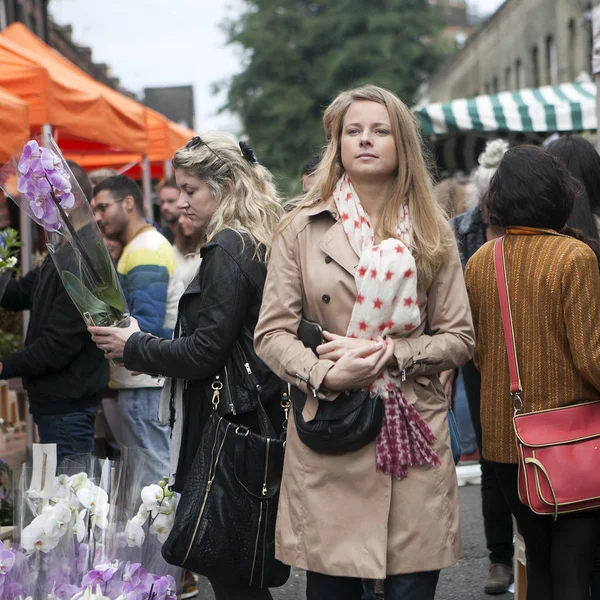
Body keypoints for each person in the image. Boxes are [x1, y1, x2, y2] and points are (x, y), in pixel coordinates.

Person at [254, 84, 475, 600]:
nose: (365, 140)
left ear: (402, 144)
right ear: (338, 144)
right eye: (353, 131)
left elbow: (460, 336)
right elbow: (271, 334)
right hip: (332, 426)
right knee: (333, 587)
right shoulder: (300, 229)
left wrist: (390, 355)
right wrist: (325, 373)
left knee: (411, 587)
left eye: (380, 130)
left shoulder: (432, 229)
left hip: (412, 427)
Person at [88, 133, 283, 600]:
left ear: (226, 186)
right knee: (241, 568)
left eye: (190, 190)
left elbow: (204, 353)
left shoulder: (229, 248)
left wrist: (133, 345)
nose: (177, 204)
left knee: (232, 571)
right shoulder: (250, 239)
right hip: (248, 416)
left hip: (229, 425)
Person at [464, 145, 600, 600]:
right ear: (556, 194)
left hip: (507, 441)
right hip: (573, 439)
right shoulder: (574, 257)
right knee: (573, 570)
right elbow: (591, 358)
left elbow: (479, 352)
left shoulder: (483, 260)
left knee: (538, 562)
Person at [0, 161, 108, 464]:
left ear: (65, 197)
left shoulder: (83, 255)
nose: (35, 209)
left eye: (40, 198)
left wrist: (5, 366)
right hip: (57, 402)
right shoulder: (65, 248)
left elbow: (59, 344)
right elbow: (19, 293)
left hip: (67, 404)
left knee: (71, 500)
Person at [451, 139, 514, 594]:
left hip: (525, 351)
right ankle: (499, 558)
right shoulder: (462, 230)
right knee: (492, 456)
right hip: (479, 356)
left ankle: (532, 549)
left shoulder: (525, 229)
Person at [91, 175, 180, 483]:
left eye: (103, 207)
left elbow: (147, 325)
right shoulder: (138, 247)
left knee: (153, 479)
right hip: (142, 382)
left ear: (128, 203)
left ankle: (164, 534)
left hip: (144, 383)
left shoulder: (144, 250)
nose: (99, 217)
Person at [173, 214, 203, 288]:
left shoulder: (209, 249)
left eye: (186, 216)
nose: (180, 220)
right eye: (179, 216)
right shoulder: (173, 251)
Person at [158, 176, 182, 244]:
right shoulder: (160, 238)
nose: (164, 207)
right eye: (162, 202)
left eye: (170, 201)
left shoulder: (199, 236)